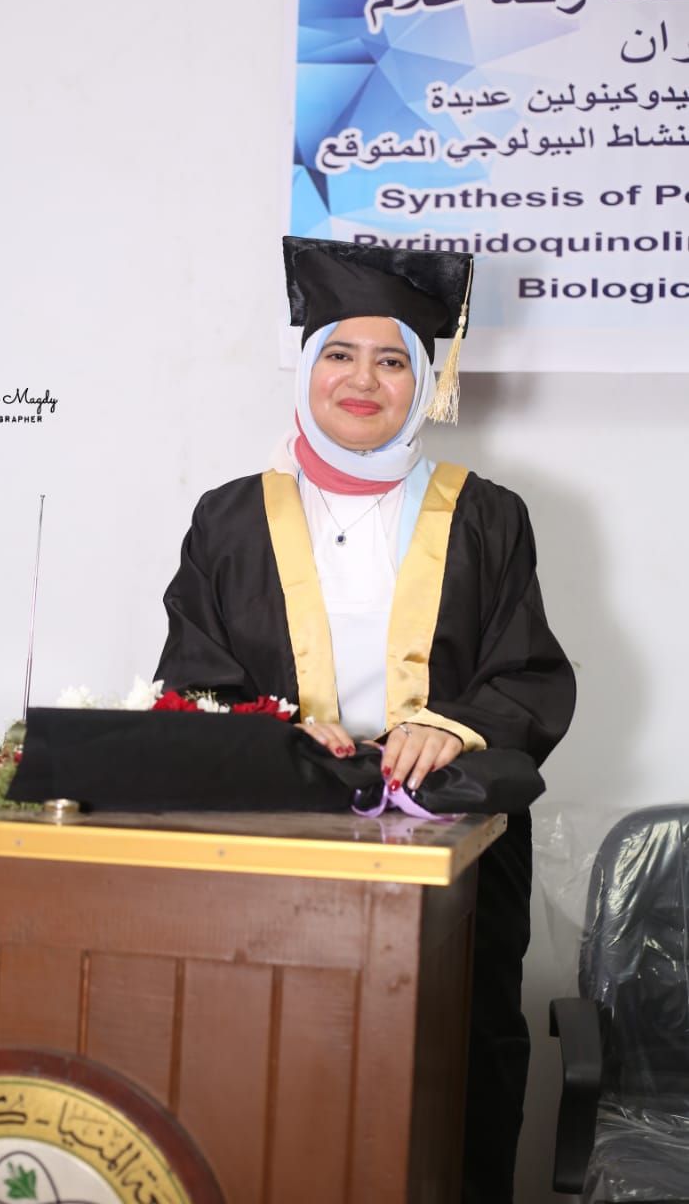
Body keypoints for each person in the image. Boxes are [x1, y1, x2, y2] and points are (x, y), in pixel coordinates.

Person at [155, 236, 576, 1203]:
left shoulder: (486, 515)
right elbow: (194, 675)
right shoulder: (229, 517)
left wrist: (451, 725)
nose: (362, 380)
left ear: (423, 382)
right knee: (266, 1043)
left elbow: (525, 667)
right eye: (339, 353)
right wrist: (274, 732)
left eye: (392, 361)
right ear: (307, 368)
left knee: (454, 1052)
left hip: (450, 844)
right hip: (273, 837)